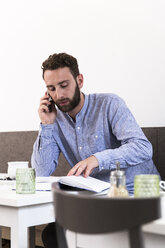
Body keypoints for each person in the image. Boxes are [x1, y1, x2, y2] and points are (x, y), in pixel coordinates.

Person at [31, 52, 159, 247]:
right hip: (97, 200)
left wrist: (97, 159)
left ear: (79, 80)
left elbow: (142, 148)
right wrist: (46, 125)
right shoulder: (54, 119)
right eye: (52, 89)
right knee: (53, 234)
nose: (59, 95)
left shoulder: (109, 104)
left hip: (137, 194)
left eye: (64, 85)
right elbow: (40, 172)